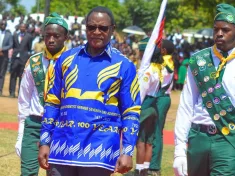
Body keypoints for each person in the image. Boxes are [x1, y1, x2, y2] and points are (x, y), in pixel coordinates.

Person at [38, 6, 141, 176]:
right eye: (91, 27)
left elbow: (131, 112)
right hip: (63, 147)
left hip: (99, 151)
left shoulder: (125, 66)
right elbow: (53, 102)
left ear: (112, 30)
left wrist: (128, 151)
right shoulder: (66, 59)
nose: (97, 32)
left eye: (103, 28)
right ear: (85, 28)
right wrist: (44, 141)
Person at [173, 3, 235, 176]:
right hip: (198, 137)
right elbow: (187, 103)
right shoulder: (199, 60)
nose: (219, 33)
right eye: (216, 29)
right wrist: (179, 149)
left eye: (226, 29)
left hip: (227, 139)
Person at [15, 12, 68, 176]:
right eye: (47, 35)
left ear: (65, 37)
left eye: (56, 36)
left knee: (55, 173)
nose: (51, 40)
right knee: (28, 172)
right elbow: (24, 99)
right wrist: (20, 133)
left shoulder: (71, 62)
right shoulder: (34, 62)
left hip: (59, 126)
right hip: (34, 124)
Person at [134, 38, 163, 176]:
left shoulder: (147, 71)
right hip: (153, 106)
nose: (139, 53)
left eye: (140, 51)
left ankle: (139, 172)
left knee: (140, 141)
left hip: (144, 106)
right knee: (149, 142)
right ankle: (145, 171)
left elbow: (141, 92)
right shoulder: (157, 69)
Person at [149, 39, 175, 176]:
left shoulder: (167, 60)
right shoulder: (163, 59)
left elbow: (168, 69)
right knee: (151, 132)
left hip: (162, 97)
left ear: (164, 50)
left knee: (157, 132)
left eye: (159, 47)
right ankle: (148, 164)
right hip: (157, 97)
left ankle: (154, 167)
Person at [9, 23, 33, 98]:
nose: (22, 28)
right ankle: (12, 92)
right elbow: (13, 46)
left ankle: (20, 93)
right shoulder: (15, 35)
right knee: (13, 75)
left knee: (22, 76)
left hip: (23, 59)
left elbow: (29, 48)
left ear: (26, 28)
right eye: (21, 27)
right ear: (19, 27)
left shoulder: (29, 36)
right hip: (15, 58)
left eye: (24, 27)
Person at [0, 20, 13, 96]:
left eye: (4, 24)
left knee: (2, 73)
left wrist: (2, 49)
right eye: (1, 24)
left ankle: (0, 90)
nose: (3, 25)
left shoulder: (9, 35)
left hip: (4, 56)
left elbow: (10, 45)